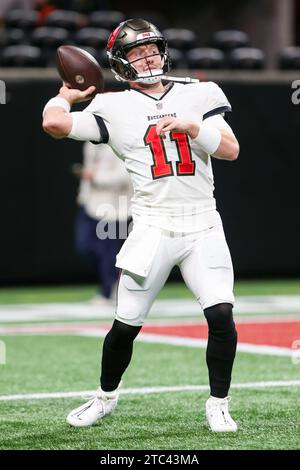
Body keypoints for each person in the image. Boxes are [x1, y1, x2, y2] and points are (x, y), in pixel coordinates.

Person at [42, 18, 240, 432]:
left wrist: (194, 126)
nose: (147, 57)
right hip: (152, 225)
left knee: (221, 313)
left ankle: (219, 402)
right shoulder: (112, 105)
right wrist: (64, 95)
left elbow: (230, 150)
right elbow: (55, 125)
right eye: (137, 52)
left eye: (152, 49)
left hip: (203, 222)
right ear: (121, 63)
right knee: (126, 325)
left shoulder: (200, 92)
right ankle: (104, 397)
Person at [74, 142, 132, 305]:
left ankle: (109, 291)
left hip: (115, 207)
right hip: (91, 204)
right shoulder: (90, 144)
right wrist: (83, 194)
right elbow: (89, 168)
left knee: (110, 252)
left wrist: (96, 178)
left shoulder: (120, 141)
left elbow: (125, 175)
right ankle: (115, 282)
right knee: (85, 246)